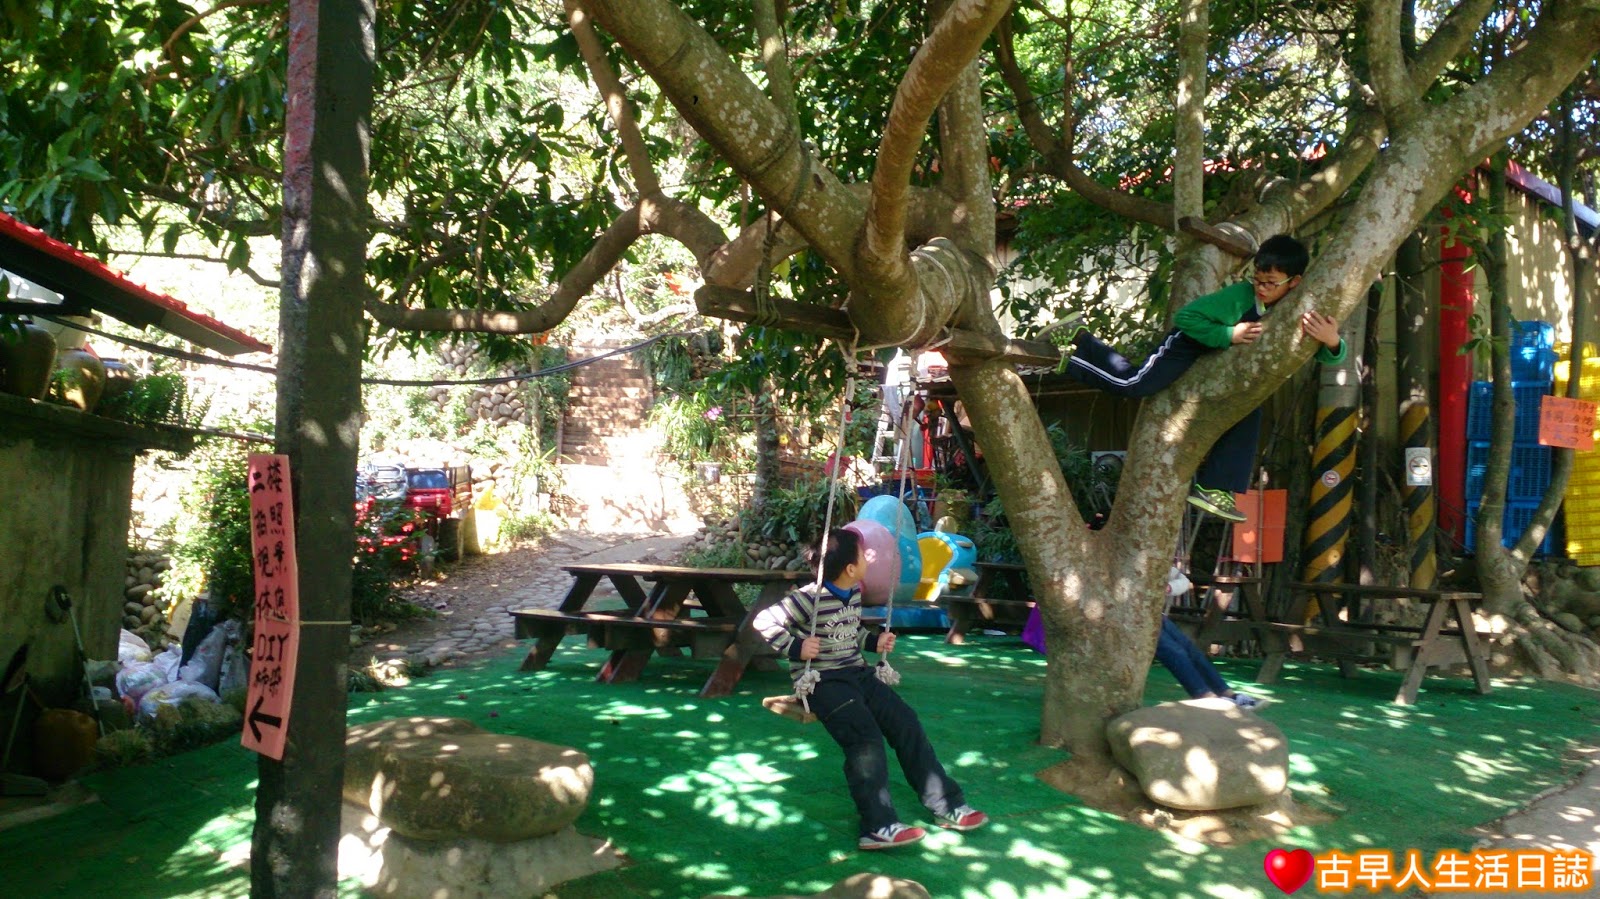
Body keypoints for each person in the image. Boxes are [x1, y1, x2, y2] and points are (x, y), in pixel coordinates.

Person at [1050, 234, 1345, 521]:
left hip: (1219, 361)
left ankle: (1215, 489)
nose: (1261, 287)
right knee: (1135, 384)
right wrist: (1229, 334)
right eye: (1257, 279)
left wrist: (1332, 341)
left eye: (1271, 282)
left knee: (1248, 408)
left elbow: (1320, 353)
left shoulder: (1294, 310)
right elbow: (1186, 318)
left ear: (1294, 282)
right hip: (1188, 343)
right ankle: (1077, 345)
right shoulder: (1240, 295)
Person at [753, 528, 988, 851]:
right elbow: (764, 621)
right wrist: (796, 647)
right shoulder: (808, 598)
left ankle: (946, 804)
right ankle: (877, 826)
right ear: (850, 567)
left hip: (857, 673)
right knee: (865, 740)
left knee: (905, 722)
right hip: (823, 681)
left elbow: (850, 632)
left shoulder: (852, 592)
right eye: (864, 555)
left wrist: (874, 641)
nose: (869, 558)